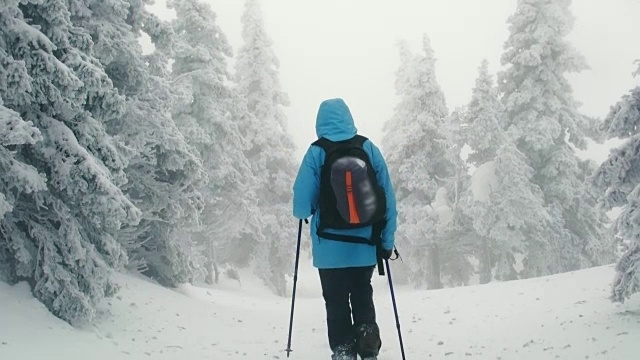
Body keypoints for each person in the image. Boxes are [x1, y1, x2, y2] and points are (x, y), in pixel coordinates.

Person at [293, 98, 398, 360]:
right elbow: (389, 200)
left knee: (336, 301)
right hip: (365, 246)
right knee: (363, 292)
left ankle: (343, 350)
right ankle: (367, 338)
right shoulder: (367, 148)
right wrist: (386, 243)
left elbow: (301, 207)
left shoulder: (317, 152)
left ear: (320, 122)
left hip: (329, 249)